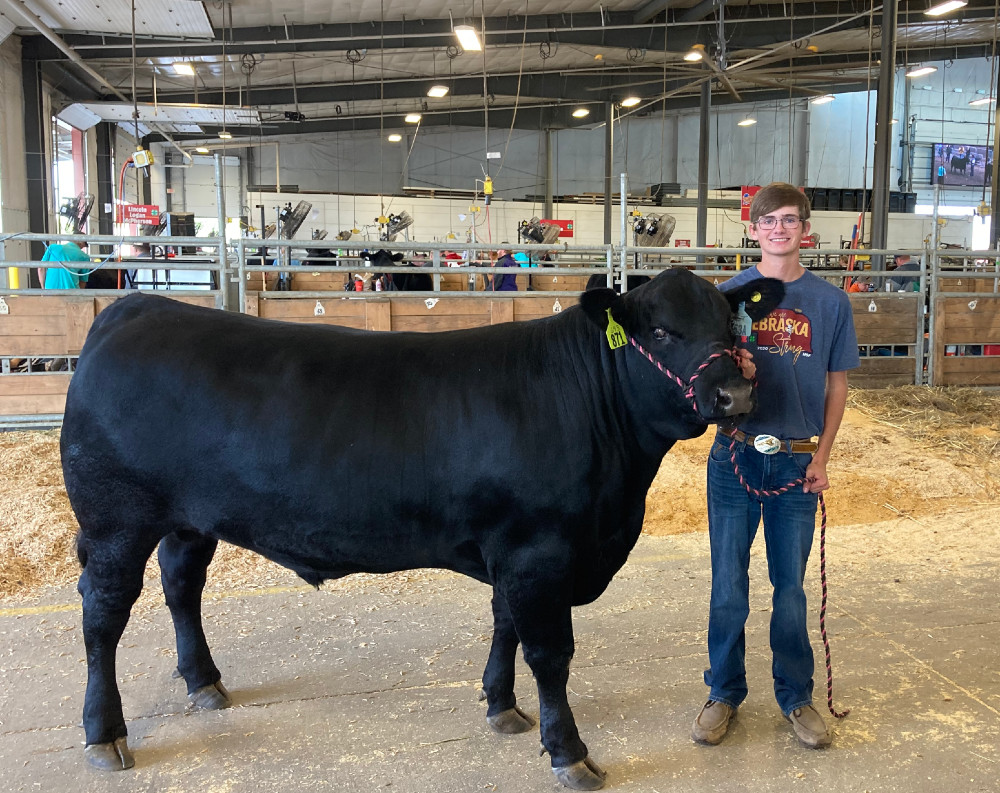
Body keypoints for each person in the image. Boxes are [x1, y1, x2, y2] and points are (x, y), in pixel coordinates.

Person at [693, 182, 859, 751]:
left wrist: (823, 455)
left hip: (796, 463)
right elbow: (704, 379)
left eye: (791, 220)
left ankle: (796, 695)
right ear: (754, 228)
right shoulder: (726, 296)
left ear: (805, 229)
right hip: (736, 453)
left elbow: (837, 383)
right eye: (770, 220)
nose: (780, 229)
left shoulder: (831, 303)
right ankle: (723, 691)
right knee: (728, 587)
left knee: (789, 588)